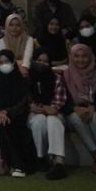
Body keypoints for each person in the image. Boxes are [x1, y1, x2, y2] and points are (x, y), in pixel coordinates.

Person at [63, 43, 96, 174]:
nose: (80, 59)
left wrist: (93, 107)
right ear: (71, 57)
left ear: (90, 57)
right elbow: (64, 99)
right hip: (74, 110)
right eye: (76, 56)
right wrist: (75, 108)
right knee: (76, 119)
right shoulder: (66, 74)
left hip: (94, 108)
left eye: (84, 56)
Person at [0, 49, 33, 178]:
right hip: (0, 116)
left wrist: (8, 112)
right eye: (0, 62)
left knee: (10, 127)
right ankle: (15, 164)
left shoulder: (22, 80)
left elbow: (24, 102)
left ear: (13, 62)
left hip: (19, 115)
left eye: (6, 61)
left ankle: (18, 165)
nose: (4, 65)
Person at [27, 50, 68, 180]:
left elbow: (58, 103)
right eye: (39, 60)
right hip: (33, 113)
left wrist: (46, 108)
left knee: (52, 120)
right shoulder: (26, 78)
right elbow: (26, 100)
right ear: (33, 60)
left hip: (55, 112)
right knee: (39, 121)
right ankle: (41, 158)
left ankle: (59, 162)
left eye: (45, 61)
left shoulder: (56, 78)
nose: (42, 64)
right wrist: (32, 107)